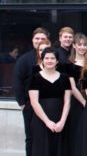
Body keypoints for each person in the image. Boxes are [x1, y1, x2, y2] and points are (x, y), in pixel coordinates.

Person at [13, 27, 50, 156]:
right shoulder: (24, 59)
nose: (39, 41)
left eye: (42, 38)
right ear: (32, 40)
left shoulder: (52, 58)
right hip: (30, 105)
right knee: (31, 137)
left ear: (47, 41)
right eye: (37, 38)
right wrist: (22, 104)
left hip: (50, 103)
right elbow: (17, 81)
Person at [28, 47, 71, 156]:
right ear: (42, 60)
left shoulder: (65, 78)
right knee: (41, 149)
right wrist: (47, 122)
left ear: (57, 61)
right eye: (46, 58)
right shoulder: (35, 78)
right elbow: (34, 102)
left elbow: (67, 102)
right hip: (40, 120)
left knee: (59, 150)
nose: (49, 61)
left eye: (52, 58)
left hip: (60, 119)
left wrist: (62, 121)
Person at [65, 33, 87, 152]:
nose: (82, 47)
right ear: (74, 45)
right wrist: (84, 103)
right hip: (77, 102)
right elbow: (73, 88)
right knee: (77, 131)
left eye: (85, 44)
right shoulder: (69, 65)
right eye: (79, 44)